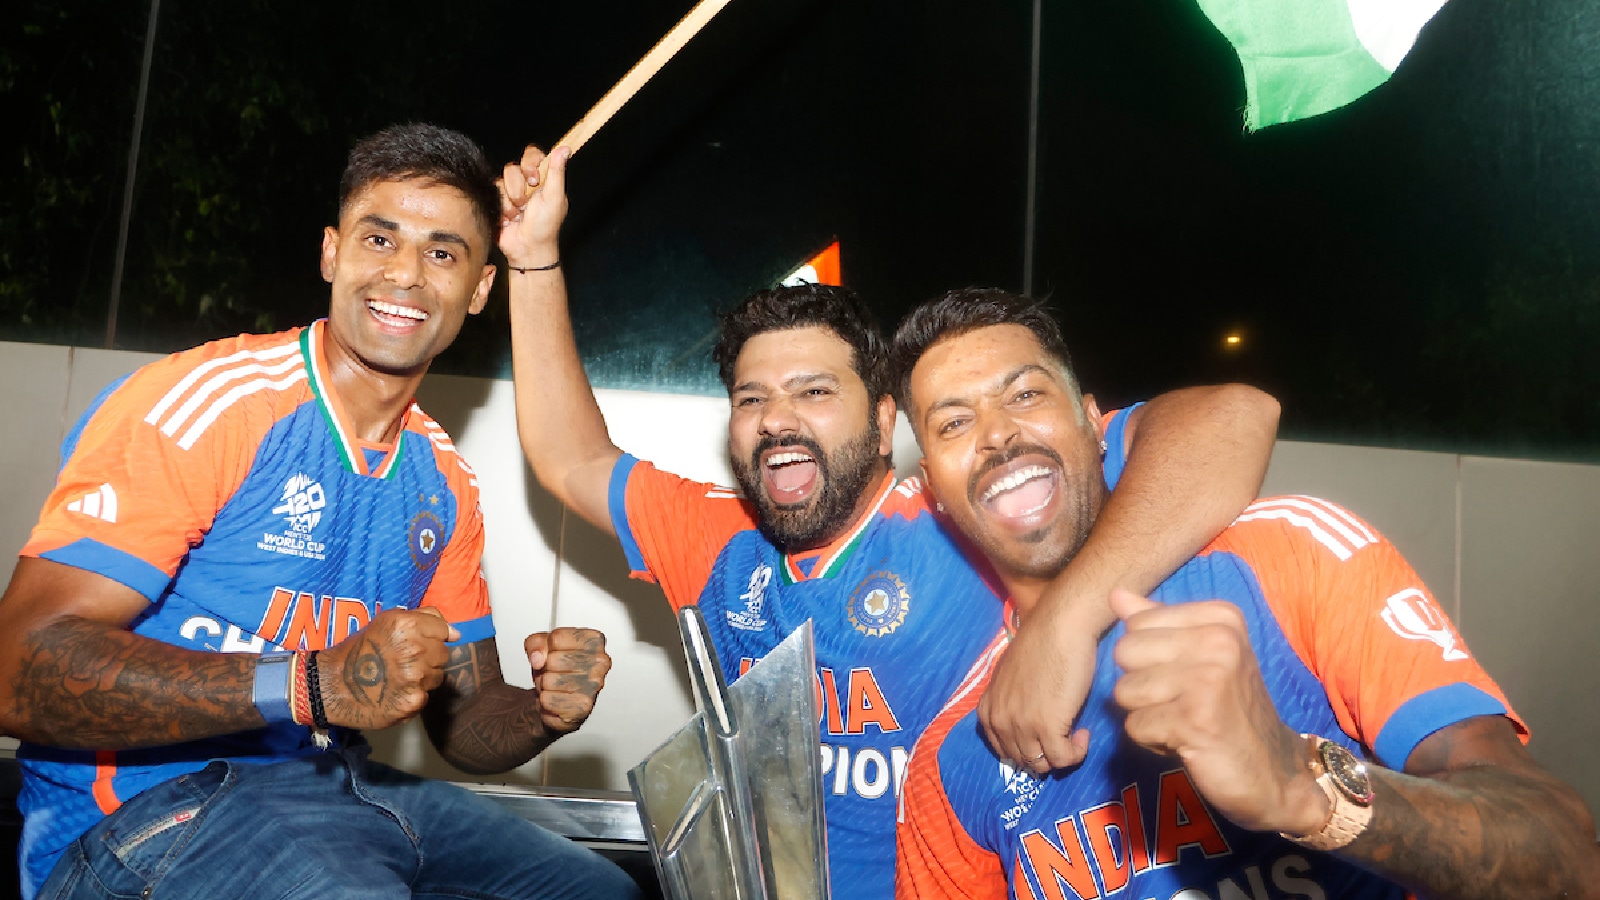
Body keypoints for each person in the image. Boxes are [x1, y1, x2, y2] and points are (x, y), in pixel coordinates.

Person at [499, 146, 1280, 896]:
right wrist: (532, 261)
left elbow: (1232, 418)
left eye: (814, 392)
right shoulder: (716, 541)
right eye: (751, 398)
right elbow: (571, 458)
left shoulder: (962, 516)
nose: (777, 420)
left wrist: (1063, 622)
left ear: (882, 424)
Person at [0, 124, 640, 900]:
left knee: (599, 892)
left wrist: (541, 710)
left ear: (478, 290)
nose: (405, 274)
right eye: (380, 239)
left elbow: (464, 722)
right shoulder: (214, 407)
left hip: (336, 790)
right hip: (138, 818)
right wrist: (310, 684)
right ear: (333, 253)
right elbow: (16, 670)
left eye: (442, 253)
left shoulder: (444, 479)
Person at [892, 288, 1600, 899]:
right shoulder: (948, 762)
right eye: (954, 422)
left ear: (1093, 422)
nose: (997, 434)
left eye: (1025, 394)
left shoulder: (1287, 555)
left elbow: (1566, 857)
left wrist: (1303, 786)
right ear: (932, 491)